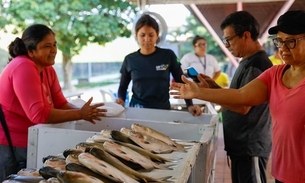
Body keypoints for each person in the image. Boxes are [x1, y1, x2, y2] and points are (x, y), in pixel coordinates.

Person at [170, 10, 305, 183]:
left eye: (291, 42)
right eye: (279, 41)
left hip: (255, 148)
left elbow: (242, 107)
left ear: (246, 36)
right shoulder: (275, 74)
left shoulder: (258, 63)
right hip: (282, 170)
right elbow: (241, 95)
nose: (283, 48)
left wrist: (200, 92)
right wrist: (204, 90)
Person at [0, 24, 107, 181]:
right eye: (47, 46)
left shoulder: (47, 68)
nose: (54, 50)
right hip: (11, 145)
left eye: (54, 44)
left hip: (32, 141)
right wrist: (79, 114)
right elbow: (39, 115)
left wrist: (84, 113)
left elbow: (60, 103)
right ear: (31, 51)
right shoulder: (23, 66)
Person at [116, 13, 201, 116]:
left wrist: (190, 105)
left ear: (157, 35)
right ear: (136, 35)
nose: (147, 39)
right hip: (137, 111)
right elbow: (122, 87)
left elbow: (181, 80)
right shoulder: (129, 59)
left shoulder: (168, 55)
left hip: (163, 111)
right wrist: (120, 100)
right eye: (142, 35)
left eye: (151, 35)